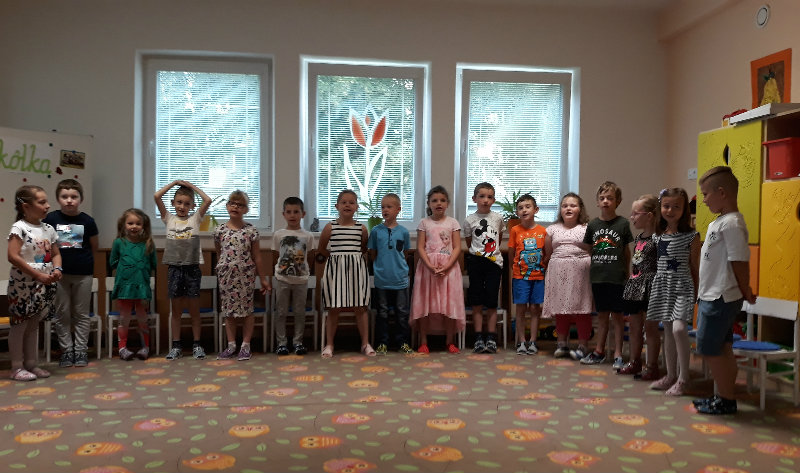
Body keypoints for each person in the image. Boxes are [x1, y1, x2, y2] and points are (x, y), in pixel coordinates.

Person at [693, 166, 754, 414]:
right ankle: (723, 396)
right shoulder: (720, 222)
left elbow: (739, 260)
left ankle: (726, 399)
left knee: (708, 347)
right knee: (722, 347)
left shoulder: (732, 223)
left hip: (721, 295)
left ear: (722, 193)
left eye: (706, 194)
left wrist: (746, 288)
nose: (704, 199)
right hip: (712, 294)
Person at [646, 188, 700, 396]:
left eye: (676, 206)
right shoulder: (658, 237)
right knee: (668, 331)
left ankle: (684, 378)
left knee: (679, 329)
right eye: (666, 206)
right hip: (663, 287)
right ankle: (670, 375)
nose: (670, 210)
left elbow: (695, 267)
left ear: (684, 209)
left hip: (682, 287)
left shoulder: (692, 236)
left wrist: (697, 292)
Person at [6, 186, 62, 381]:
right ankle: (16, 367)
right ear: (26, 206)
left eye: (47, 201)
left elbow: (55, 254)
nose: (47, 206)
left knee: (33, 325)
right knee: (19, 325)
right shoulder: (19, 228)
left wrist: (57, 269)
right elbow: (12, 256)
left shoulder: (48, 229)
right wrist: (37, 275)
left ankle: (31, 364)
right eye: (42, 202)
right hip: (23, 285)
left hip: (43, 285)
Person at [43, 179, 99, 368]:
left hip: (83, 274)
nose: (69, 200)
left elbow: (94, 247)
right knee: (62, 313)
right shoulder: (50, 219)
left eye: (73, 197)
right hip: (59, 275)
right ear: (58, 199)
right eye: (64, 196)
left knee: (81, 314)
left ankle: (81, 350)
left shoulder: (88, 221)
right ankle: (67, 351)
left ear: (80, 199)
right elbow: (45, 246)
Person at [155, 180, 212, 360]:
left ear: (192, 206)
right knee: (177, 311)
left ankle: (197, 345)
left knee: (194, 310)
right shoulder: (169, 218)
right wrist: (174, 183)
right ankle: (176, 346)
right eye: (179, 202)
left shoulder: (195, 219)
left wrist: (191, 186)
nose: (182, 206)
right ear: (173, 203)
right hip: (174, 268)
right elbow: (156, 196)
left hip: (192, 268)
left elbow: (208, 200)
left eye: (187, 204)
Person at [581, 182, 633, 368]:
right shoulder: (593, 225)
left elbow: (626, 252)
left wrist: (626, 272)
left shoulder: (623, 224)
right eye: (602, 198)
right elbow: (589, 249)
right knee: (602, 317)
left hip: (617, 278)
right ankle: (599, 351)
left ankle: (618, 354)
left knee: (618, 317)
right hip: (598, 278)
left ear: (617, 201)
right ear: (597, 202)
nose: (605, 201)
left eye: (610, 198)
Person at [214, 191, 270, 361]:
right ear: (227, 206)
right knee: (228, 311)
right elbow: (219, 253)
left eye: (240, 205)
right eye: (232, 203)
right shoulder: (219, 230)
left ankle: (246, 345)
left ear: (246, 209)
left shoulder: (251, 231)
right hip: (226, 276)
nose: (235, 207)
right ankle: (231, 345)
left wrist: (263, 278)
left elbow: (257, 256)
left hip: (245, 276)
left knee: (247, 311)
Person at [410, 185, 465, 354]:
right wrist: (430, 266)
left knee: (449, 305)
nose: (438, 203)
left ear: (447, 203)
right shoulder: (424, 223)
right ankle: (424, 341)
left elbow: (457, 247)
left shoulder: (453, 222)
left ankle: (450, 341)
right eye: (434, 200)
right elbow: (420, 247)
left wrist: (447, 267)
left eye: (442, 200)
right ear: (429, 204)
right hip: (428, 269)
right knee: (425, 305)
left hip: (449, 269)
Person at [319, 190, 372, 358]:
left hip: (356, 270)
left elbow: (363, 248)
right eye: (344, 202)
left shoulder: (362, 228)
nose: (347, 205)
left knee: (360, 307)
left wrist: (351, 259)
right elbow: (322, 249)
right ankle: (329, 344)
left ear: (357, 207)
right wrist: (338, 259)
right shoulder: (330, 227)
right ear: (337, 206)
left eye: (351, 202)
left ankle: (365, 343)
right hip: (335, 271)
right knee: (334, 307)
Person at [542, 193, 593, 360]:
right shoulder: (552, 229)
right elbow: (549, 253)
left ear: (580, 209)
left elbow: (591, 250)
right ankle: (562, 344)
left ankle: (583, 346)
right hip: (559, 271)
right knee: (561, 309)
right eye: (565, 206)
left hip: (580, 272)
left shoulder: (587, 228)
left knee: (582, 309)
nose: (568, 208)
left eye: (573, 205)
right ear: (560, 210)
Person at [618, 194, 659, 376]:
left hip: (651, 287)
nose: (632, 217)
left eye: (635, 213)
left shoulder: (659, 239)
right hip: (635, 286)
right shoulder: (639, 238)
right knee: (634, 327)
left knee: (650, 328)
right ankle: (635, 361)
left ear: (649, 215)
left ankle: (652, 366)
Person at [110, 209, 158, 361]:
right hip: (125, 287)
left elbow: (153, 264)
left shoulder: (148, 244)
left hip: (142, 287)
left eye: (138, 223)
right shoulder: (119, 243)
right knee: (124, 318)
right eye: (130, 223)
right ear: (124, 225)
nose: (134, 226)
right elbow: (113, 262)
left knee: (142, 318)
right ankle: (122, 348)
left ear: (144, 225)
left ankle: (145, 347)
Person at [367, 193, 413, 355]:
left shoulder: (404, 232)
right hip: (381, 279)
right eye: (382, 207)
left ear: (398, 209)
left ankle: (403, 342)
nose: (385, 210)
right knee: (382, 312)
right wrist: (380, 267)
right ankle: (382, 343)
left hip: (400, 279)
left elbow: (405, 254)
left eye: (389, 207)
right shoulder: (375, 231)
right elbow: (373, 253)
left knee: (402, 312)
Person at [462, 182, 504, 354]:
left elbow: (499, 238)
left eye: (489, 197)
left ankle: (491, 337)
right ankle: (478, 337)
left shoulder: (498, 218)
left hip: (494, 264)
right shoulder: (469, 220)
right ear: (474, 199)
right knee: (477, 301)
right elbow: (469, 242)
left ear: (493, 200)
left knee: (492, 301)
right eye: (482, 196)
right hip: (476, 262)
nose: (485, 200)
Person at [272, 196, 314, 356]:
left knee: (299, 312)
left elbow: (310, 256)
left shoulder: (308, 236)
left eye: (296, 212)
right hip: (282, 280)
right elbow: (276, 255)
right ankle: (281, 343)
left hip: (301, 280)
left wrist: (304, 271)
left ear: (303, 214)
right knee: (281, 312)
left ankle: (298, 342)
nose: (292, 215)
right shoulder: (278, 235)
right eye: (288, 212)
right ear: (283, 214)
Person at [508, 194, 546, 355]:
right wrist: (516, 269)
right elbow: (511, 253)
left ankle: (533, 341)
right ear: (517, 212)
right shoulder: (515, 230)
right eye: (520, 208)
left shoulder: (543, 231)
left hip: (538, 277)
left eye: (527, 207)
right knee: (521, 309)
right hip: (520, 277)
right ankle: (522, 341)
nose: (524, 210)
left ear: (535, 210)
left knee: (535, 308)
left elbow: (546, 253)